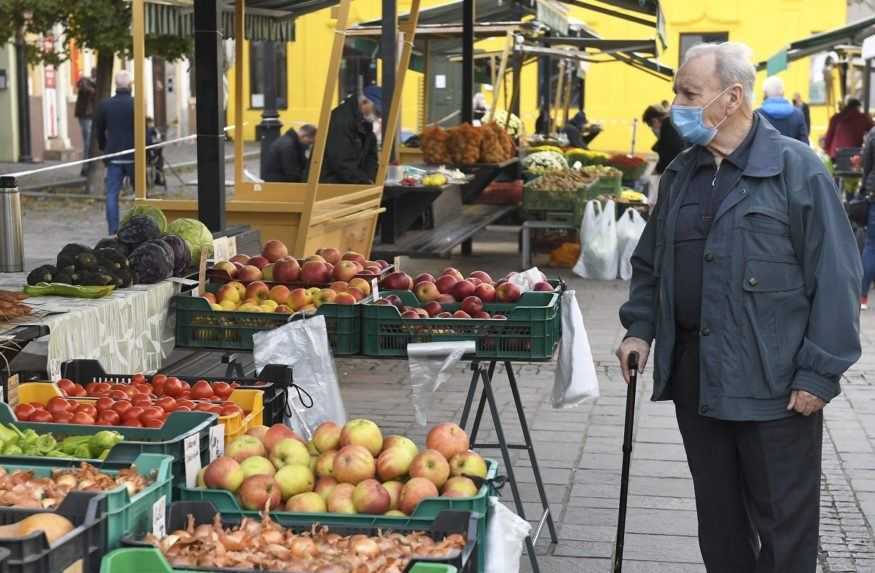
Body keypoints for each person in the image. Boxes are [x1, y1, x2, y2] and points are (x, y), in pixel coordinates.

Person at [617, 42, 861, 573]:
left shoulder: (798, 171)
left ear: (731, 98)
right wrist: (639, 329)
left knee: (784, 532)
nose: (677, 103)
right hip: (697, 383)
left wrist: (819, 375)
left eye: (689, 93)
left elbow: (838, 278)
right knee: (720, 527)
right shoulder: (682, 172)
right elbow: (651, 263)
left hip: (776, 389)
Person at [94, 70, 136, 235]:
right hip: (134, 156)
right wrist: (147, 151)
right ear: (130, 85)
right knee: (140, 194)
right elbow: (144, 131)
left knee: (112, 194)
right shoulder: (136, 103)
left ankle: (113, 231)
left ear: (116, 85)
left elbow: (99, 130)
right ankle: (138, 229)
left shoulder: (105, 105)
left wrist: (105, 147)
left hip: (114, 155)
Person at [321, 86, 380, 184]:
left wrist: (372, 177)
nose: (378, 116)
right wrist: (365, 181)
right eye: (376, 111)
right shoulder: (340, 120)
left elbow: (370, 156)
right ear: (364, 102)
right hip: (328, 185)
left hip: (344, 181)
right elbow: (341, 162)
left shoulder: (364, 122)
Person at [756, 75, 809, 143]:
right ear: (783, 92)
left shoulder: (757, 115)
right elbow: (805, 145)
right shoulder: (798, 114)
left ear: (765, 93)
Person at [642, 104, 686, 174]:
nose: (652, 129)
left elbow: (667, 155)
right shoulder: (672, 124)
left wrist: (657, 170)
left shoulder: (668, 128)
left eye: (650, 125)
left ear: (654, 120)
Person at [860, 126, 875, 309]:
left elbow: (867, 165)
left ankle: (862, 296)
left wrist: (865, 186)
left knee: (871, 245)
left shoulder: (872, 134)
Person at [75, 68, 97, 176]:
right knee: (88, 142)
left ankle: (88, 166)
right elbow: (82, 85)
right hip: (86, 116)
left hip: (91, 115)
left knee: (90, 142)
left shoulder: (94, 83)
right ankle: (85, 167)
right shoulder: (86, 81)